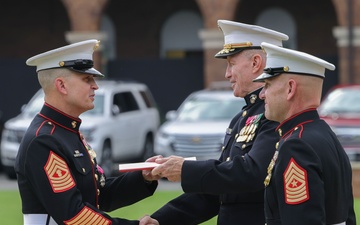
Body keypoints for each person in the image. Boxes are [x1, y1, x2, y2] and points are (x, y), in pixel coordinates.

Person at [150, 20, 288, 225]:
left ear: (256, 63)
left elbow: (252, 172)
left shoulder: (274, 114)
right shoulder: (242, 118)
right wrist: (160, 220)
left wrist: (186, 169)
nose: (227, 74)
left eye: (231, 64)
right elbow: (216, 191)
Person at [15, 40, 160, 225]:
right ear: (62, 86)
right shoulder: (43, 141)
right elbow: (73, 216)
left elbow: (99, 195)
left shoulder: (65, 132)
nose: (95, 86)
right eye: (87, 79)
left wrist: (143, 178)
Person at [252, 42, 356, 225]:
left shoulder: (296, 145)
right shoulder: (324, 134)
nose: (262, 94)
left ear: (290, 89)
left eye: (267, 84)